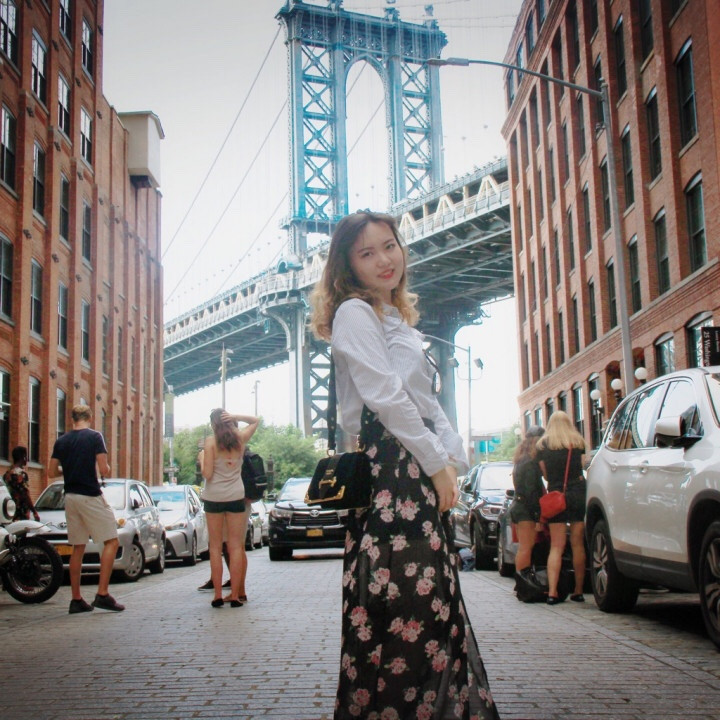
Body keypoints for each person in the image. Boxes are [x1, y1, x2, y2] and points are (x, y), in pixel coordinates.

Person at [310, 211, 500, 720]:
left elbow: (425, 401)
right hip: (391, 475)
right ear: (348, 265)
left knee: (430, 609)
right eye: (366, 253)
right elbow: (386, 398)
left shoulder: (395, 319)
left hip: (414, 471)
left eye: (389, 245)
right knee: (400, 611)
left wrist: (453, 458)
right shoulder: (355, 313)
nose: (383, 260)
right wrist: (436, 464)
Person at [48, 405, 124, 614]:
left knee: (78, 547)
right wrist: (106, 468)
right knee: (111, 541)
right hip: (90, 495)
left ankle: (76, 599)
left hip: (70, 497)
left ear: (72, 419)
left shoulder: (61, 441)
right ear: (89, 418)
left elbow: (51, 472)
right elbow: (104, 469)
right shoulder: (94, 437)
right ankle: (102, 594)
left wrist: (69, 468)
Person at [201, 409, 258, 608]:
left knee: (215, 547)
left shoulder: (210, 443)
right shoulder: (240, 439)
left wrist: (202, 460)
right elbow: (255, 420)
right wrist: (237, 417)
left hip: (214, 497)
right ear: (228, 421)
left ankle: (217, 595)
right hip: (235, 496)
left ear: (213, 424)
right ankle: (235, 595)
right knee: (235, 547)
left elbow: (207, 474)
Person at [535, 410, 587, 605]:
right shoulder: (578, 442)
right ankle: (578, 591)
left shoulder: (543, 445)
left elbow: (545, 475)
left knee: (556, 546)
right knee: (577, 543)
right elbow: (582, 466)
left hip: (556, 495)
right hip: (578, 492)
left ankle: (553, 592)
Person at [509, 426, 546, 576]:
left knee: (524, 547)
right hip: (526, 509)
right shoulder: (531, 462)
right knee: (526, 547)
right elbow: (531, 491)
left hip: (519, 506)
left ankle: (521, 580)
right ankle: (522, 581)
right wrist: (537, 517)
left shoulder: (520, 460)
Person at [3, 446, 40, 521]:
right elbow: (25, 495)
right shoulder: (21, 474)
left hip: (10, 511)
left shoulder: (7, 474)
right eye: (26, 456)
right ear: (23, 457)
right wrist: (34, 511)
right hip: (21, 512)